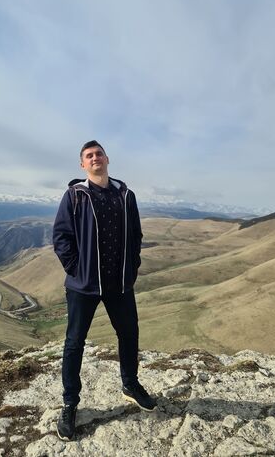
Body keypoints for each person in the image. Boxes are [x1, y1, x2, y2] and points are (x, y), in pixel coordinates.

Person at [53, 140, 156, 441]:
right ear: (82, 164)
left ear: (107, 159)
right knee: (75, 342)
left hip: (119, 283)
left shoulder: (125, 195)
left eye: (99, 153)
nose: (95, 158)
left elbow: (136, 234)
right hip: (84, 285)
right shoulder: (75, 195)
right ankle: (70, 404)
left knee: (129, 333)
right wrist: (76, 268)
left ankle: (130, 384)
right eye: (89, 156)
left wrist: (132, 267)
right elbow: (61, 236)